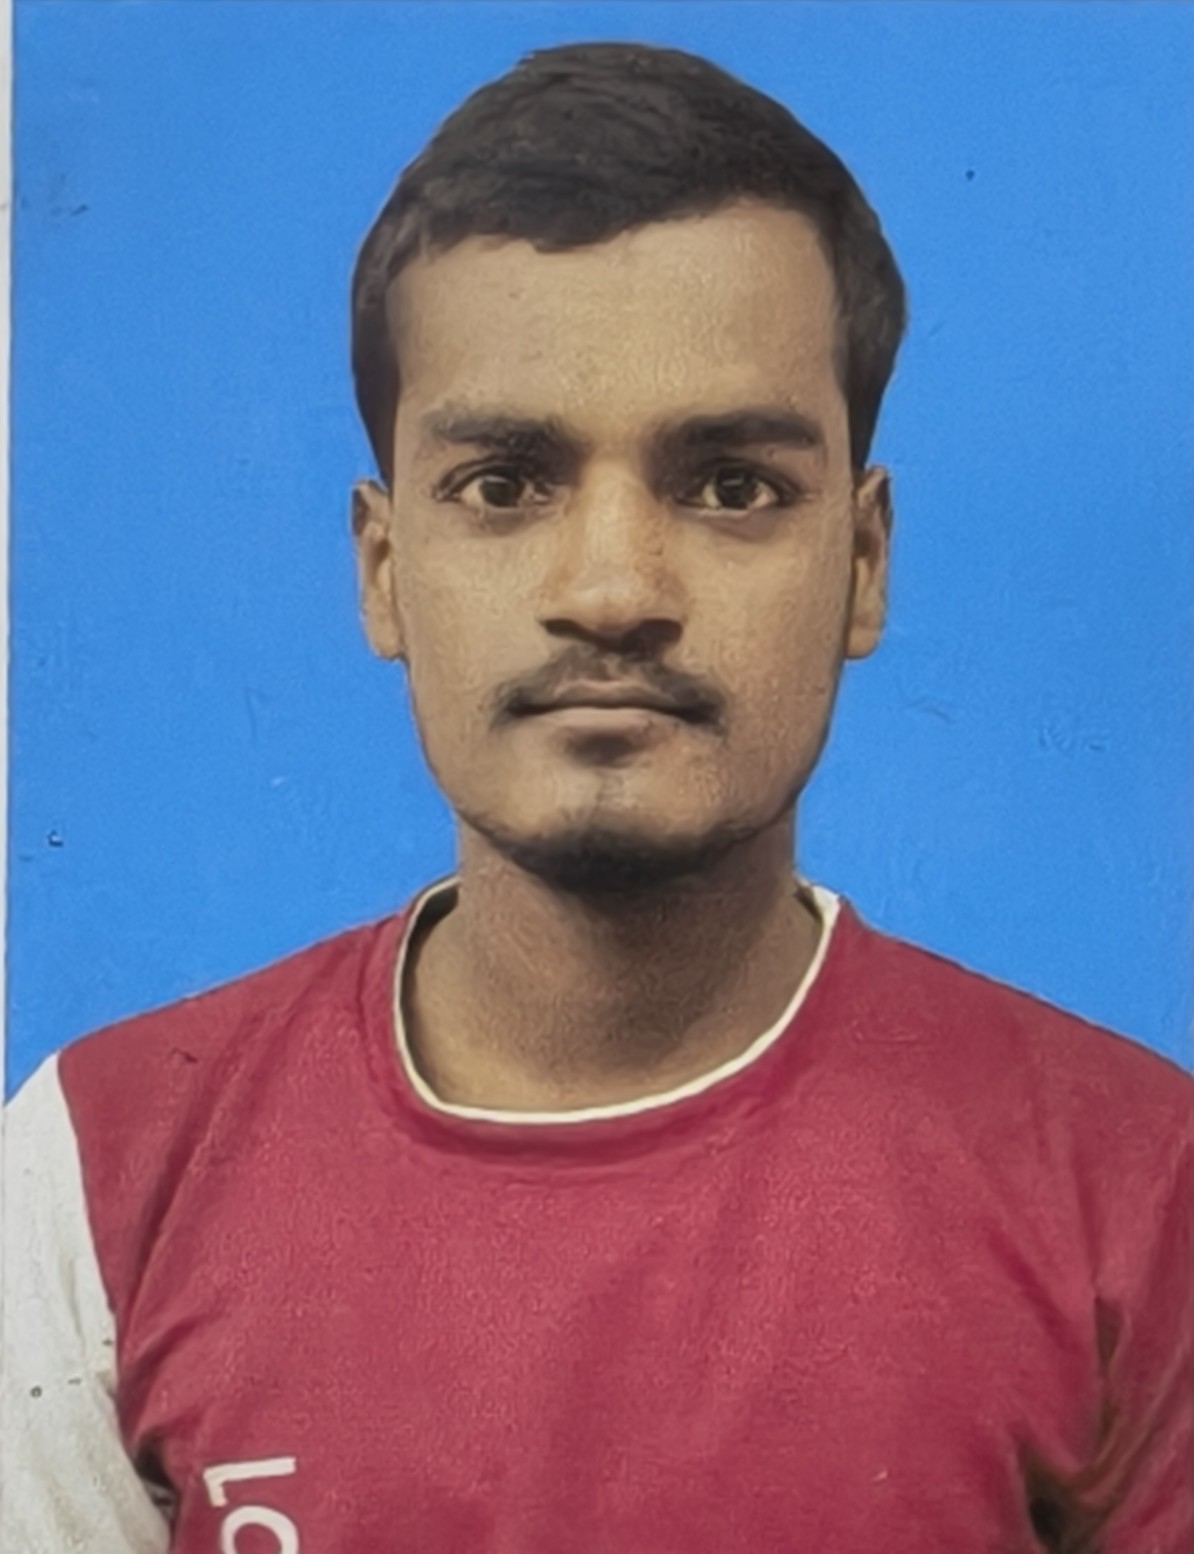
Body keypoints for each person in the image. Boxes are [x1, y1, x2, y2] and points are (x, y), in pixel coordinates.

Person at [2, 38, 1189, 1554]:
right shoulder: (97, 1165)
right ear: (385, 568)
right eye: (505, 484)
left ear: (861, 561)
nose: (615, 590)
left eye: (731, 484)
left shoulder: (1142, 1187)